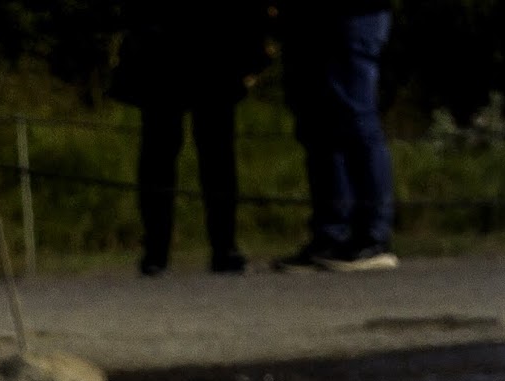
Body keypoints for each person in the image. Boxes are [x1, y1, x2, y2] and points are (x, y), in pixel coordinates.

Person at [120, 0, 265, 276]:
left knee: (217, 154)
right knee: (159, 153)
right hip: (161, 50)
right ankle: (156, 249)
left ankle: (224, 246)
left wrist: (251, 49)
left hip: (216, 49)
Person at [277, 3, 397, 269]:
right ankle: (332, 233)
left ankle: (372, 234)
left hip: (354, 13)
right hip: (311, 15)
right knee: (318, 121)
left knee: (354, 114)